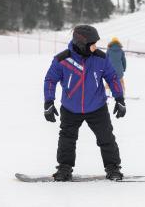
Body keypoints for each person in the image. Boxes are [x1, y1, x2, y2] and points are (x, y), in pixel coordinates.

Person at [44, 25, 126, 182]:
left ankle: (113, 167)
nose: (95, 46)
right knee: (67, 139)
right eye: (92, 44)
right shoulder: (62, 59)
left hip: (97, 107)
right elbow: (50, 79)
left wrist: (119, 99)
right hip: (70, 108)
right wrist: (48, 102)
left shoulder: (101, 58)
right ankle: (64, 168)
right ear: (81, 44)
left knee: (106, 137)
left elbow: (112, 78)